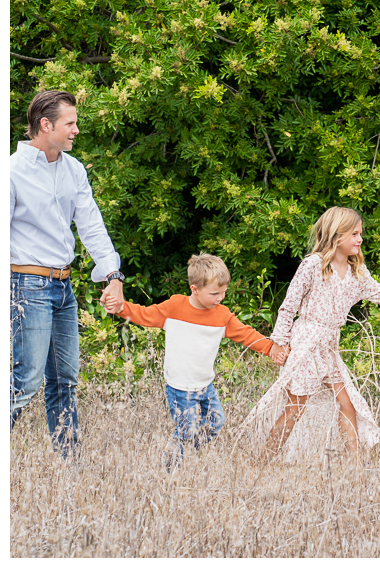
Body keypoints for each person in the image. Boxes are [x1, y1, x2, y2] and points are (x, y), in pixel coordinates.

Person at [239, 207, 380, 460]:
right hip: (306, 343)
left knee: (347, 403)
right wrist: (279, 343)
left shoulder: (357, 274)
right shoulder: (313, 266)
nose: (360, 239)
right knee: (295, 407)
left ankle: (355, 467)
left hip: (329, 347)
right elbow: (289, 305)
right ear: (335, 235)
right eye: (354, 233)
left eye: (360, 233)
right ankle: (263, 461)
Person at [10, 91, 125, 454]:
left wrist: (114, 276)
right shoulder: (11, 171)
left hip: (63, 287)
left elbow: (91, 226)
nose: (76, 130)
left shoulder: (73, 169)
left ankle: (69, 467)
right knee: (26, 382)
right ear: (46, 125)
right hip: (25, 285)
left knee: (65, 380)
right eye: (70, 123)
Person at [104, 253, 286, 465]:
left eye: (224, 292)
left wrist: (271, 348)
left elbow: (246, 335)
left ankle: (190, 454)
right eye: (215, 293)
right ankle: (170, 468)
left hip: (205, 384)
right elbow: (145, 315)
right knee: (185, 430)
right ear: (195, 289)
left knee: (216, 422)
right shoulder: (174, 307)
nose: (220, 298)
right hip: (180, 386)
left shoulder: (222, 315)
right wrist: (121, 308)